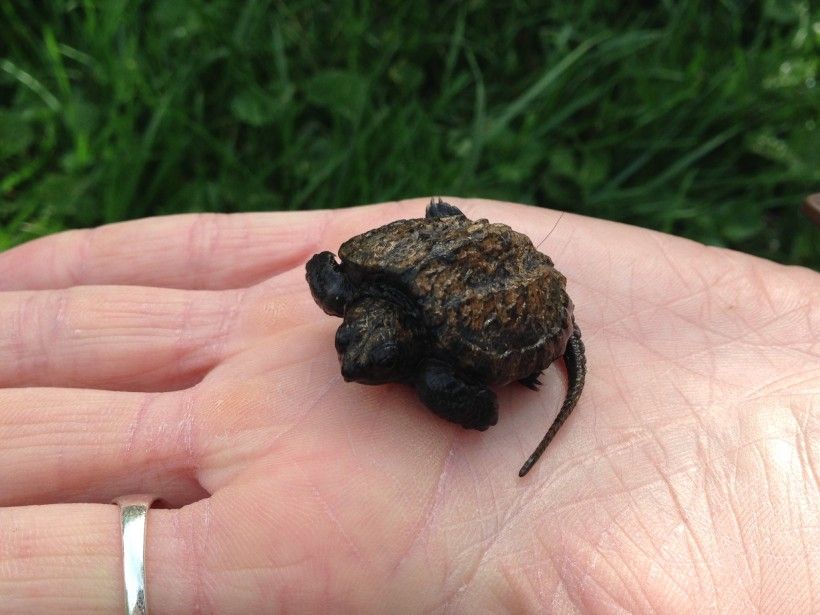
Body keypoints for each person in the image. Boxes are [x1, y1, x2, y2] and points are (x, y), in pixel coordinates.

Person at [0, 198, 816, 613]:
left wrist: (508, 376)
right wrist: (349, 292)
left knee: (452, 383)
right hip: (464, 261)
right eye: (357, 345)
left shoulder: (436, 364)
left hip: (518, 296)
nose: (353, 365)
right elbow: (330, 267)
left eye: (364, 354)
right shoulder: (361, 295)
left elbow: (484, 413)